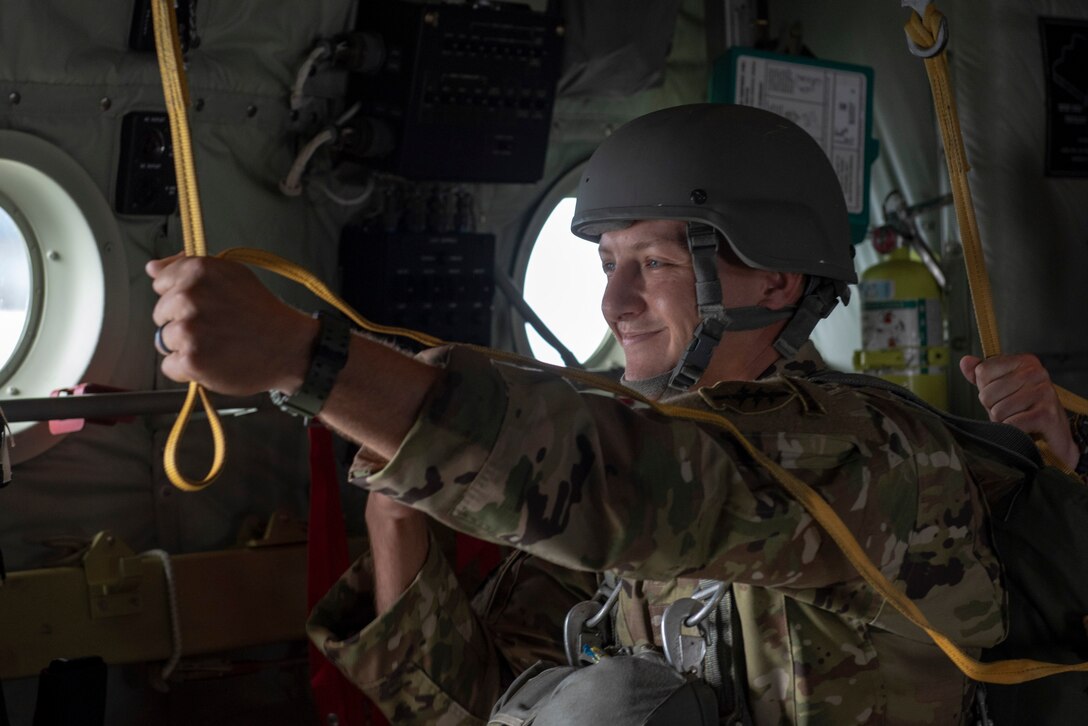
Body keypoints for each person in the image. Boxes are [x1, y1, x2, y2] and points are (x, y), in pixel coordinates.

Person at [147, 104, 1080, 724]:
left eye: (657, 265)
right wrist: (399, 511)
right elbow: (464, 708)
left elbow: (620, 482)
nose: (615, 306)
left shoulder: (862, 456)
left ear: (777, 279)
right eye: (606, 267)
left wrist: (305, 358)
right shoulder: (651, 481)